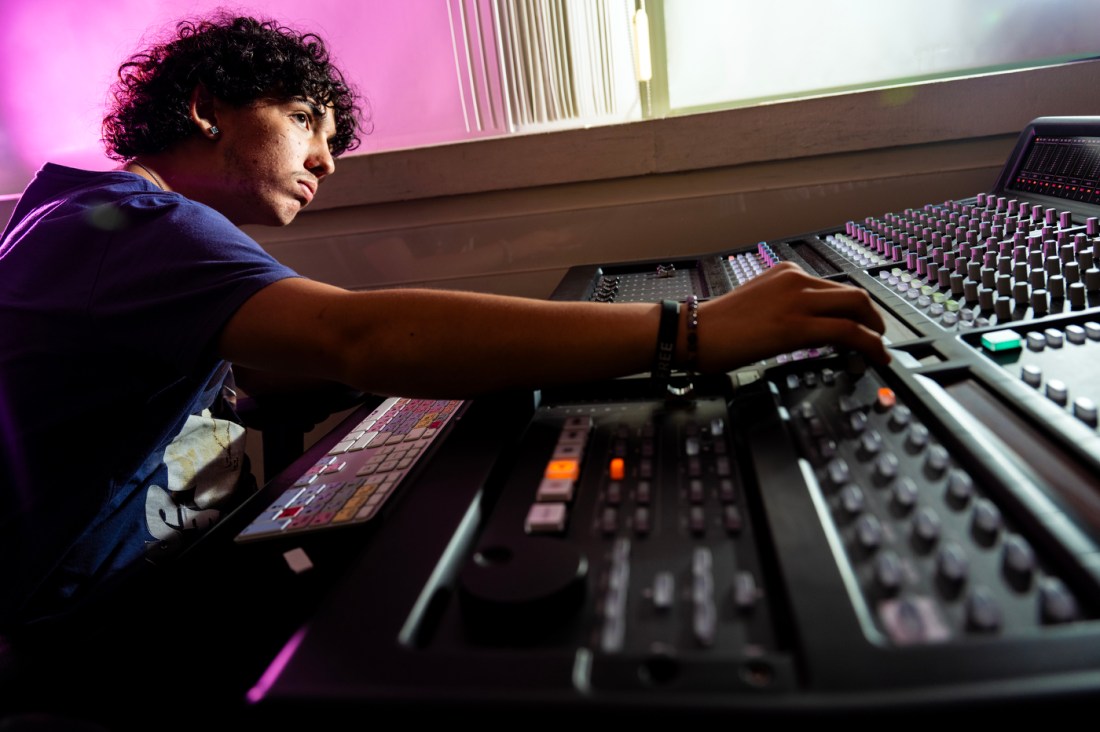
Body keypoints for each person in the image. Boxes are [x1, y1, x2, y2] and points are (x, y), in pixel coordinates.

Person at [0, 12, 888, 729]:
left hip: (120, 588)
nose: (326, 160)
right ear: (207, 109)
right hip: (84, 626)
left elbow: (275, 381)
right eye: (306, 120)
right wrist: (688, 331)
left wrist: (485, 353)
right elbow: (357, 336)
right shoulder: (133, 224)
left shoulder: (87, 220)